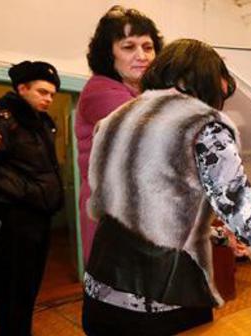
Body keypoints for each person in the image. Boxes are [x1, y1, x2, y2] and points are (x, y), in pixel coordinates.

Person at [81, 38, 251, 335]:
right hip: (158, 306)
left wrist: (220, 235)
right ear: (208, 82)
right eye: (221, 94)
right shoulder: (203, 127)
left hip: (100, 296)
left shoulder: (116, 120)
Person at [0, 61, 63, 335]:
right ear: (22, 88)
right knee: (13, 291)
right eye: (42, 92)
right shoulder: (2, 121)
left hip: (39, 220)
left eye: (52, 94)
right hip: (14, 221)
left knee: (27, 289)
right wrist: (18, 192)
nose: (48, 99)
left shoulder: (40, 125)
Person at [75, 5, 163, 263]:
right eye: (128, 47)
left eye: (147, 47)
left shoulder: (145, 94)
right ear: (108, 54)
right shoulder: (100, 91)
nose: (142, 55)